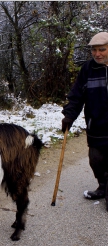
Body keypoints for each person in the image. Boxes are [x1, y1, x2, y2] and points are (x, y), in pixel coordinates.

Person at [61, 31, 108, 209]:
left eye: (102, 49)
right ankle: (102, 187)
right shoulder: (88, 69)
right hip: (96, 126)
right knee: (96, 160)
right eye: (94, 50)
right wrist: (69, 116)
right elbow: (77, 96)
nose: (97, 54)